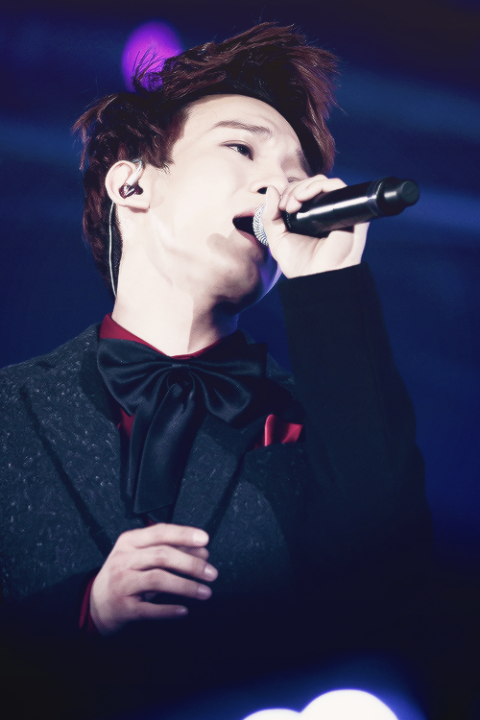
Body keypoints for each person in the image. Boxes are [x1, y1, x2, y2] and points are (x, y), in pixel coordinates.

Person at [0, 22, 431, 715]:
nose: (281, 187)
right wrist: (85, 614)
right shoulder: (10, 410)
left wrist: (328, 287)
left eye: (298, 175)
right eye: (241, 148)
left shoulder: (313, 423)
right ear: (132, 184)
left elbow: (393, 590)